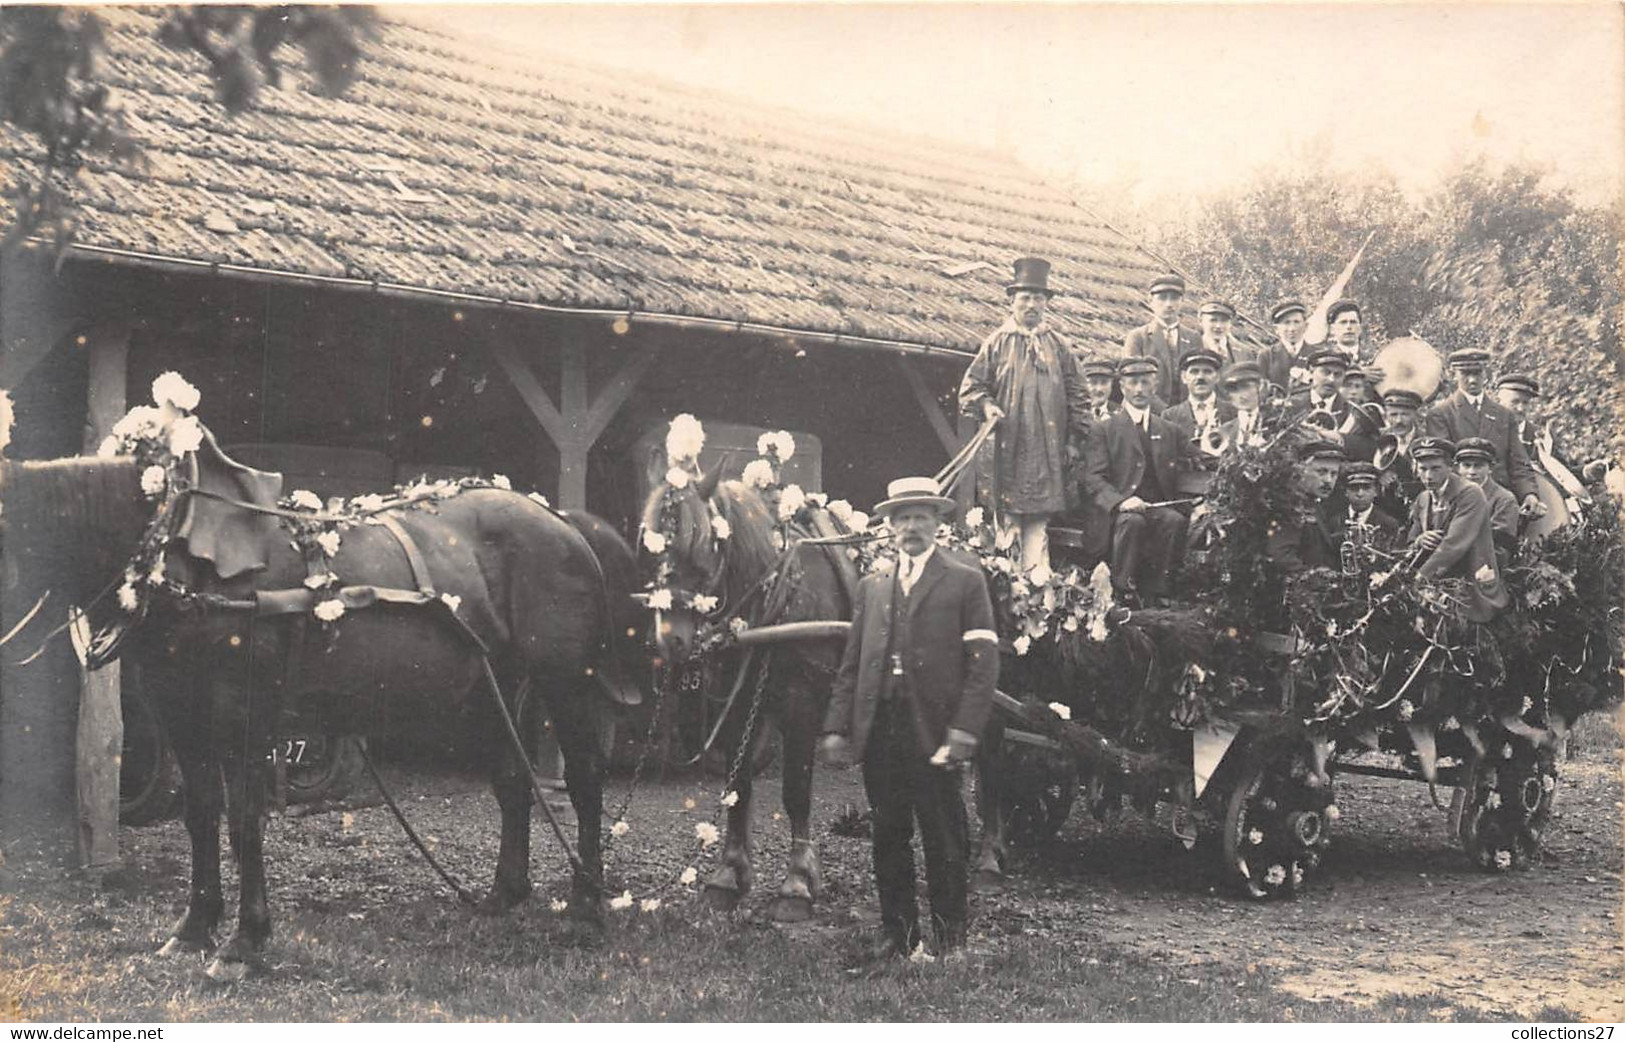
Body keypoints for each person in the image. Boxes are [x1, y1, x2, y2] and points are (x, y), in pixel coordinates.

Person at [819, 477, 999, 960]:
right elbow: (852, 665)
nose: (911, 526)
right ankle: (898, 937)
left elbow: (984, 666)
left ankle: (949, 940)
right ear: (889, 526)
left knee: (944, 837)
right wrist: (837, 727)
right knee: (889, 835)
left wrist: (963, 731)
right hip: (882, 730)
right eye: (902, 518)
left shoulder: (964, 580)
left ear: (938, 523)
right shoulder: (872, 587)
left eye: (921, 516)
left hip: (935, 731)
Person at [958, 257, 1091, 574]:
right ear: (1012, 302)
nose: (1031, 305)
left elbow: (1080, 395)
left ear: (1046, 303)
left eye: (1038, 298)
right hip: (1008, 450)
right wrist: (988, 405)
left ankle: (1035, 591)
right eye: (1025, 298)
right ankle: (1008, 588)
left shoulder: (1059, 346)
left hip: (1047, 451)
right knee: (1007, 526)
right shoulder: (996, 343)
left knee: (1038, 526)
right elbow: (971, 388)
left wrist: (1073, 440)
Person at [1081, 358, 1191, 605]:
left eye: (1145, 382)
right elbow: (1092, 477)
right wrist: (1120, 502)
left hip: (1155, 508)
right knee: (1132, 523)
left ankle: (1158, 594)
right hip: (1116, 512)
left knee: (1174, 521)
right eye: (1133, 383)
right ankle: (1123, 591)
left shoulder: (1169, 429)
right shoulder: (1105, 429)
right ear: (1122, 387)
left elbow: (1199, 458)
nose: (1139, 389)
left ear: (1155, 386)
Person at [1422, 348, 1541, 516]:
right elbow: (1443, 464)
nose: (1472, 380)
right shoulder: (1441, 414)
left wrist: (1529, 494)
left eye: (1477, 373)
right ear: (1454, 374)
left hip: (1501, 504)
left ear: (1486, 373)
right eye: (1465, 373)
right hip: (1458, 503)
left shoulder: (1504, 415)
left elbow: (1519, 463)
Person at [1404, 437, 1509, 621]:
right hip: (1435, 585)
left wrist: (1419, 578)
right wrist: (1420, 540)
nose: (1428, 476)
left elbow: (1454, 545)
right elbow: (1411, 538)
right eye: (1423, 469)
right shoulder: (1423, 498)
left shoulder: (1470, 493)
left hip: (1468, 587)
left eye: (1435, 468)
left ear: (1450, 467)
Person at [1123, 272, 1203, 407]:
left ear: (1182, 301)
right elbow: (1133, 380)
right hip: (1147, 411)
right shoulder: (1138, 337)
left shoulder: (1193, 337)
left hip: (1184, 414)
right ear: (1150, 301)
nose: (1168, 304)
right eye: (1162, 298)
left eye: (1174, 298)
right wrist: (1163, 411)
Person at [1266, 440, 1345, 574]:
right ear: (1301, 469)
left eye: (1334, 474)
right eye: (1321, 472)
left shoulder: (1313, 503)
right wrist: (1316, 578)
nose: (1328, 480)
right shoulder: (1290, 505)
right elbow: (1280, 557)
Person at [1454, 437, 1520, 554]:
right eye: (1466, 465)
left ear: (1491, 468)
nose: (1472, 472)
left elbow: (1500, 549)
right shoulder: (1448, 495)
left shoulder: (1504, 499)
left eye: (1478, 466)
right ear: (1458, 468)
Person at [1161, 347, 1236, 442]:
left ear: (1217, 377)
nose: (1200, 377)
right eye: (1194, 371)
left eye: (1207, 371)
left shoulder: (1234, 412)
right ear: (1184, 377)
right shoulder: (1170, 416)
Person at [1376, 387, 1426, 517]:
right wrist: (1379, 476)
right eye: (1393, 415)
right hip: (1384, 511)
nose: (1399, 421)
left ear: (1415, 415)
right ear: (1386, 416)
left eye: (1405, 414)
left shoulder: (1427, 441)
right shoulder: (1377, 439)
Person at [1333, 461, 1402, 553]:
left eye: (1366, 488)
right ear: (1346, 492)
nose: (1360, 494)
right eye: (1354, 488)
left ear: (1376, 491)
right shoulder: (1334, 523)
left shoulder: (1389, 524)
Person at [1286, 348, 1352, 424]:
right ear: (1311, 373)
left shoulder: (1349, 411)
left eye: (1338, 375)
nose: (1331, 379)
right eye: (1326, 372)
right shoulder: (1291, 405)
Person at [1216, 360, 1272, 449]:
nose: (1241, 395)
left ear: (1260, 387)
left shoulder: (1275, 423)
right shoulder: (1224, 431)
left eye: (1246, 387)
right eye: (1234, 390)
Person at [1262, 299, 1311, 393]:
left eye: (1296, 322)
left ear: (1306, 326)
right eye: (1286, 322)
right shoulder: (1267, 356)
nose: (1292, 329)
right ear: (1276, 328)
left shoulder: (1316, 354)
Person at [1197, 299, 1253, 369]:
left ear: (1230, 323)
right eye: (1213, 320)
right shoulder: (1191, 346)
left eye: (1224, 320)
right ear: (1200, 321)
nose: (1218, 326)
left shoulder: (1244, 353)